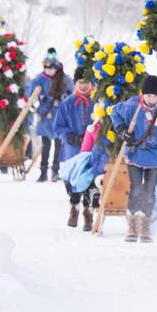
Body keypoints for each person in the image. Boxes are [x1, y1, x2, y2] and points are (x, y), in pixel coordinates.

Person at [110, 75, 157, 242]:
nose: (152, 99)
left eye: (155, 96)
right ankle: (133, 225)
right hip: (134, 152)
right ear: (143, 94)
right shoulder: (132, 105)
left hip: (154, 155)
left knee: (149, 192)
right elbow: (114, 112)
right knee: (136, 189)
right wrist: (121, 130)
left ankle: (146, 225)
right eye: (148, 95)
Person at [54, 68, 100, 228]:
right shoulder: (67, 104)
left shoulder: (97, 103)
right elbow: (57, 127)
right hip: (72, 149)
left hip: (90, 149)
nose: (84, 86)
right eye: (80, 82)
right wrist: (69, 135)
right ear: (75, 83)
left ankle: (88, 212)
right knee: (72, 181)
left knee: (88, 179)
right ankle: (74, 206)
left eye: (86, 82)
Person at [25, 49, 71, 182]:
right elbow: (30, 92)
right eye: (46, 67)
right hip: (45, 115)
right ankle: (43, 172)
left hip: (59, 116)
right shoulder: (39, 78)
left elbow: (71, 93)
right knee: (45, 145)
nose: (48, 70)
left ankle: (55, 171)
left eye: (51, 68)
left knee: (58, 144)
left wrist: (63, 98)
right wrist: (38, 98)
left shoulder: (65, 79)